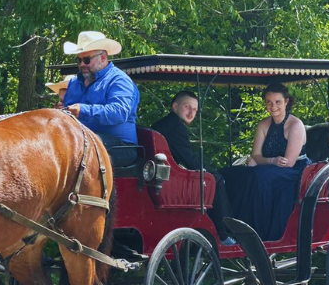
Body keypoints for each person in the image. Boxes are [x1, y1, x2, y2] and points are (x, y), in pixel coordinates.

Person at [220, 83, 311, 241]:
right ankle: (227, 225)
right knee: (227, 173)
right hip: (269, 167)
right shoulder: (264, 124)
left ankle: (258, 232)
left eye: (277, 102)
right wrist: (271, 160)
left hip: (294, 172)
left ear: (286, 101)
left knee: (260, 176)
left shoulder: (295, 125)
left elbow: (288, 162)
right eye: (269, 102)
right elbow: (255, 155)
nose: (273, 106)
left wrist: (265, 162)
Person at [152, 91, 237, 246]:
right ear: (175, 106)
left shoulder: (162, 123)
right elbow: (190, 161)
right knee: (216, 180)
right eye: (187, 107)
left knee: (214, 176)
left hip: (162, 176)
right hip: (170, 184)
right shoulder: (176, 127)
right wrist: (211, 171)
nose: (191, 112)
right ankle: (223, 233)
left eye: (195, 109)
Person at [57, 31, 140, 167]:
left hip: (122, 147)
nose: (82, 64)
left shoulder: (120, 80)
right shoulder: (74, 83)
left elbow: (119, 112)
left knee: (79, 148)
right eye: (79, 60)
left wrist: (82, 110)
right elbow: (69, 112)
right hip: (81, 139)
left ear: (102, 57)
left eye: (87, 60)